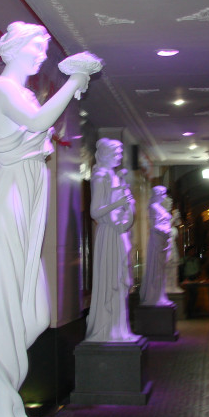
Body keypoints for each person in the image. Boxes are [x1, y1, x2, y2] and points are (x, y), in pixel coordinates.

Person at [0, 21, 99, 417]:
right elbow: (39, 120)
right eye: (37, 47)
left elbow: (38, 120)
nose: (42, 56)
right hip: (7, 201)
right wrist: (75, 79)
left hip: (24, 200)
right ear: (14, 48)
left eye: (44, 49)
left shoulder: (23, 94)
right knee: (4, 304)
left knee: (33, 312)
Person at [84, 138, 139, 342]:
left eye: (120, 153)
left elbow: (124, 206)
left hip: (119, 234)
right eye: (116, 153)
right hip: (108, 234)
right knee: (112, 281)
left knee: (120, 282)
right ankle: (107, 330)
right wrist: (118, 203)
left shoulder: (114, 176)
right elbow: (95, 212)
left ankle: (120, 329)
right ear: (106, 154)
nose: (120, 157)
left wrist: (126, 203)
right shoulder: (100, 177)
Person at [139, 186, 173, 306]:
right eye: (163, 194)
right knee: (156, 270)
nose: (164, 196)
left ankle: (160, 295)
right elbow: (154, 226)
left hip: (163, 241)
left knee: (161, 271)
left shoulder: (159, 207)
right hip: (157, 241)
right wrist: (166, 231)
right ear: (157, 194)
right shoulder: (153, 207)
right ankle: (155, 297)